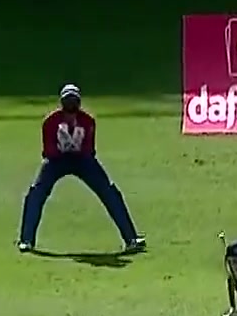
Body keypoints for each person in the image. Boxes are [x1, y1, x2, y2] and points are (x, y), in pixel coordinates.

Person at [18, 84, 146, 255]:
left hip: (82, 161)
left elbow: (89, 149)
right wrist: (64, 149)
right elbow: (48, 150)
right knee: (36, 192)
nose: (71, 108)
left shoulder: (87, 121)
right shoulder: (50, 122)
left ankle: (131, 238)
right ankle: (26, 240)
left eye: (74, 103)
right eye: (67, 103)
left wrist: (75, 150)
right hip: (56, 161)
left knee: (109, 191)